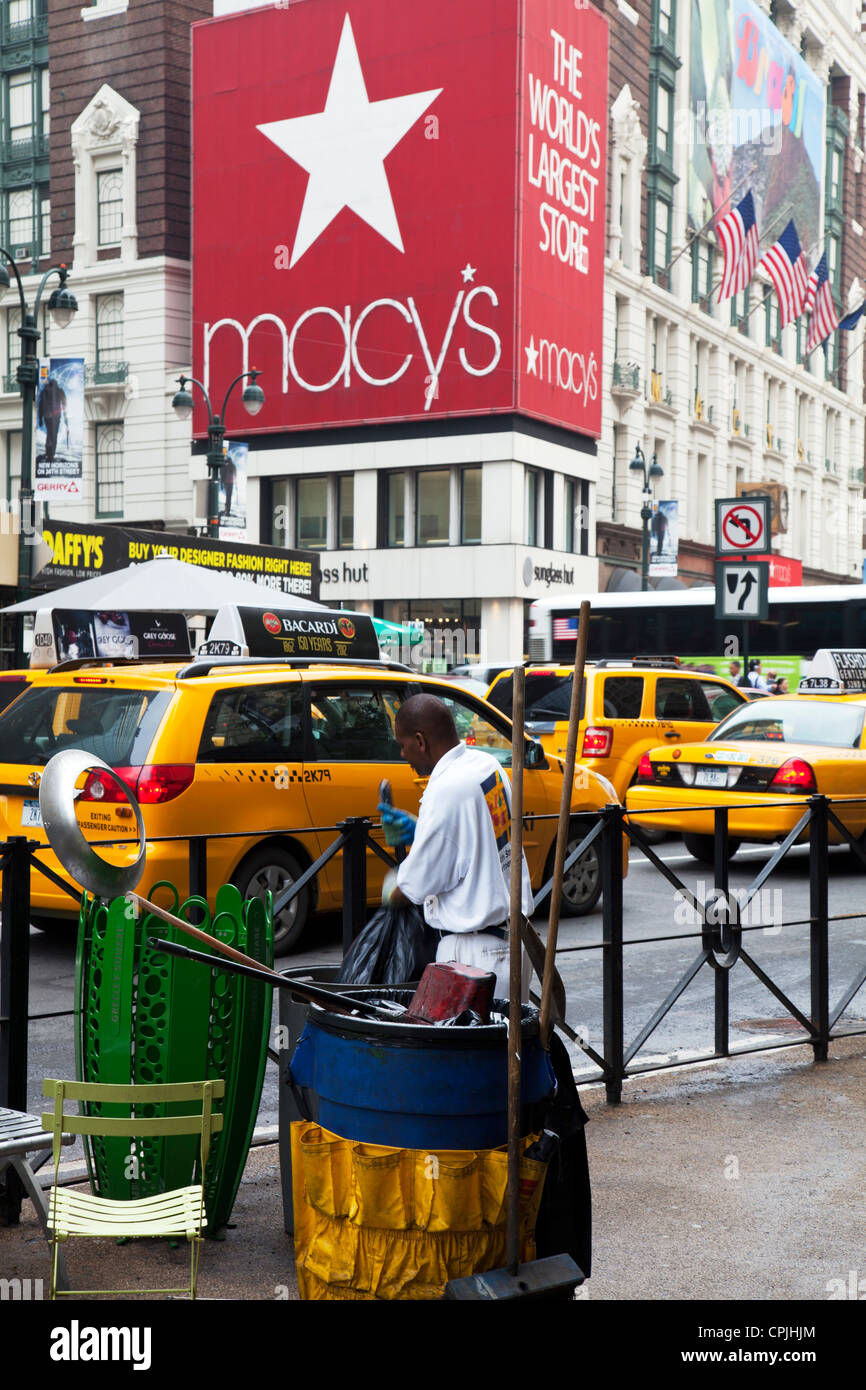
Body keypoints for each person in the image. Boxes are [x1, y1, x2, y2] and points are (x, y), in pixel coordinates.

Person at [378, 693, 533, 1000]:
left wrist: (391, 891)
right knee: (506, 1046)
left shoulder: (447, 790)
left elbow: (414, 886)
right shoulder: (485, 765)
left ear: (420, 741)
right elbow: (472, 838)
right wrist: (421, 830)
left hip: (475, 958)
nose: (402, 753)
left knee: (467, 1048)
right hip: (513, 944)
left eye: (404, 744)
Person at [37, 376, 68, 464]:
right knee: (53, 435)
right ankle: (51, 455)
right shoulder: (59, 391)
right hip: (56, 416)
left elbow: (41, 406)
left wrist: (40, 418)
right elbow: (65, 404)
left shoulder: (44, 392)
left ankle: (48, 452)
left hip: (47, 416)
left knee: (49, 434)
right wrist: (66, 418)